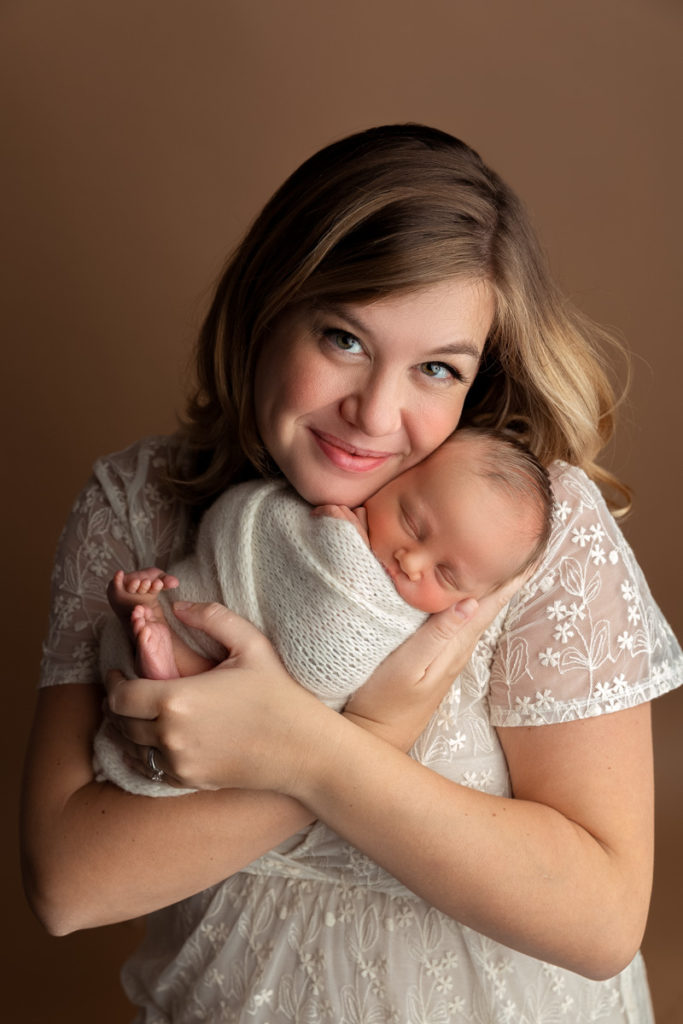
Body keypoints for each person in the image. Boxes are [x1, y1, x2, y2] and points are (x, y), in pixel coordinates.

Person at [21, 124, 682, 1022]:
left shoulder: (526, 532)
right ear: (269, 308)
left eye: (437, 368)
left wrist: (310, 749)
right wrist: (372, 736)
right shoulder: (138, 506)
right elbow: (69, 884)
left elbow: (600, 920)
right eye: (343, 338)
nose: (375, 413)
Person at [92, 427, 553, 797]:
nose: (410, 562)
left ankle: (168, 660)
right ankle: (153, 624)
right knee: (187, 615)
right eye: (411, 522)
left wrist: (349, 559)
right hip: (199, 607)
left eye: (447, 576)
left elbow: (331, 665)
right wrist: (337, 541)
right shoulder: (323, 508)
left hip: (241, 702)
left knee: (225, 685)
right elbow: (242, 523)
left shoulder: (412, 623)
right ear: (397, 478)